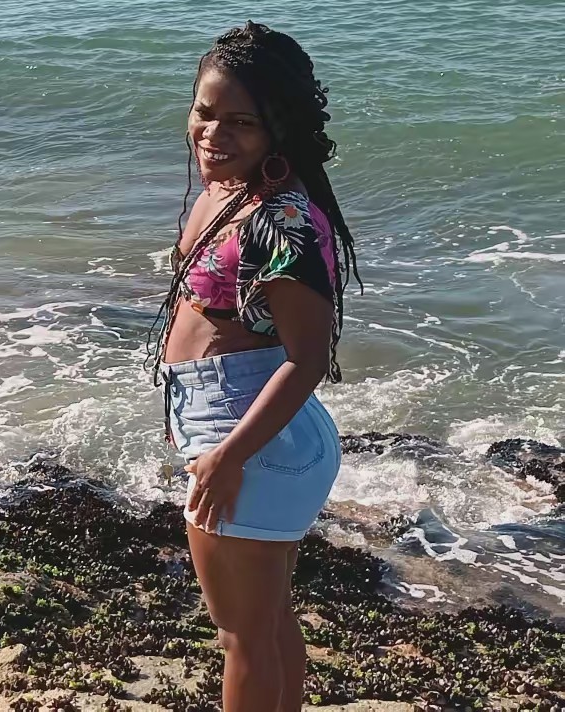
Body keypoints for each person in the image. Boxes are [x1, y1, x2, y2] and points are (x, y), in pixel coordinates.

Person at [147, 21, 361, 712]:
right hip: (238, 421)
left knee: (242, 638)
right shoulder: (226, 191)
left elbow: (307, 359)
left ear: (280, 127)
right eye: (205, 113)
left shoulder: (281, 221)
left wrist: (229, 455)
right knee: (266, 625)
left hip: (251, 434)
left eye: (241, 122)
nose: (214, 134)